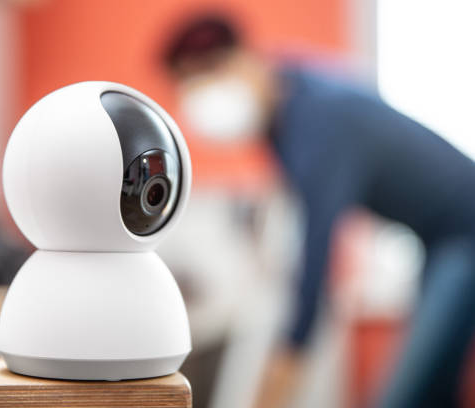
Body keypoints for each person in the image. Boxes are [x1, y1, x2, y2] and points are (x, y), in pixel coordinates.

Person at [162, 15, 475, 408]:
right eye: (189, 83)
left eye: (208, 74)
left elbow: (316, 254)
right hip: (439, 237)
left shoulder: (316, 118)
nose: (201, 93)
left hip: (466, 230)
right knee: (436, 390)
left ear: (245, 59)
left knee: (403, 397)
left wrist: (285, 367)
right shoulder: (287, 110)